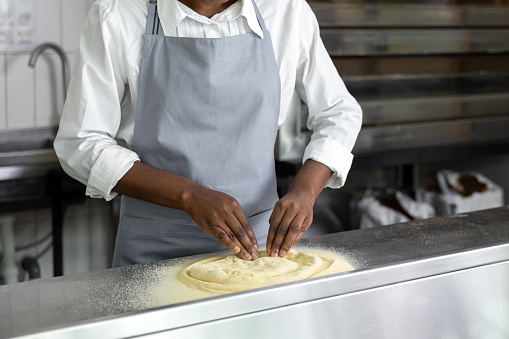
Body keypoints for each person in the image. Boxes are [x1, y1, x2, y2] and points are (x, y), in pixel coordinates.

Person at [54, 0, 362, 267]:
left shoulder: (286, 11)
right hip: (154, 250)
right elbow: (81, 142)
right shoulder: (117, 15)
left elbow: (338, 111)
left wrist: (305, 191)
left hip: (260, 248)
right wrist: (188, 195)